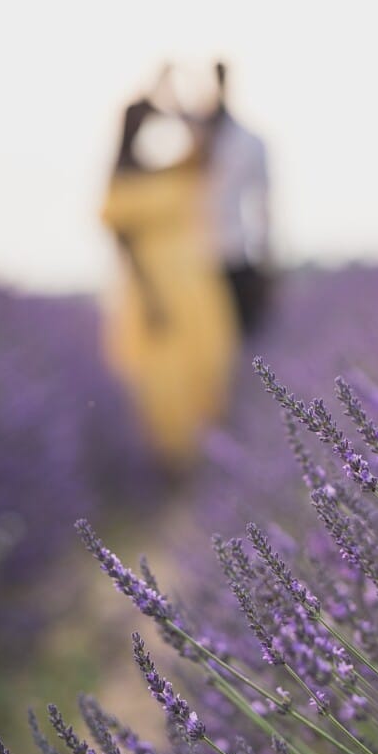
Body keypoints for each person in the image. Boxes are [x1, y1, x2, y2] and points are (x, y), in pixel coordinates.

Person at [99, 64, 240, 475]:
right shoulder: (124, 179)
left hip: (197, 287)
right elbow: (123, 245)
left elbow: (205, 146)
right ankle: (170, 470)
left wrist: (175, 99)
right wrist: (151, 296)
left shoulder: (180, 171)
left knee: (207, 370)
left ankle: (207, 466)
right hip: (152, 289)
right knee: (161, 384)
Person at [195, 60, 273, 336]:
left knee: (242, 337)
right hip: (194, 260)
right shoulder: (193, 140)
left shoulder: (250, 141)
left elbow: (264, 202)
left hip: (234, 252)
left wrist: (265, 256)